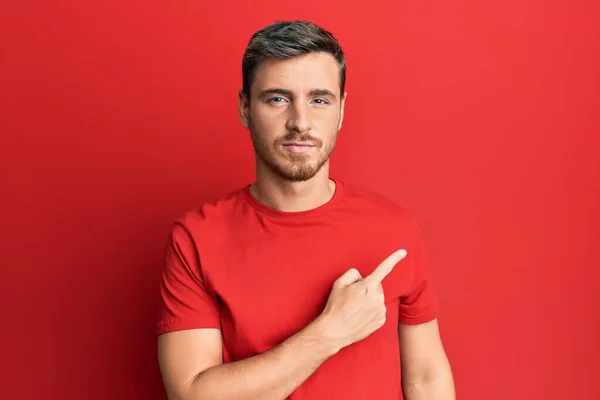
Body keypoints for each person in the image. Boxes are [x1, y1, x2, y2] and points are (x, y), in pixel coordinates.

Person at [156, 20, 455, 400]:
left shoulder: (394, 230)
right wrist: (329, 333)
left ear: (342, 110)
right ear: (245, 108)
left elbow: (427, 380)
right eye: (277, 98)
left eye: (319, 99)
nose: (300, 121)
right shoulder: (196, 238)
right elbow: (192, 395)